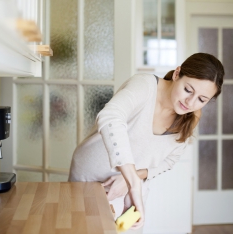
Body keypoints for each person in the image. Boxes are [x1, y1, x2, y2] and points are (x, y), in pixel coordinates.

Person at [68, 53, 224, 232]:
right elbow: (110, 116)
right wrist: (131, 179)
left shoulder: (191, 117)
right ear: (177, 74)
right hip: (89, 180)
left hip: (129, 193)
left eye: (202, 99)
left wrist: (132, 179)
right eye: (188, 89)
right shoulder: (145, 85)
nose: (190, 102)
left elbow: (169, 162)